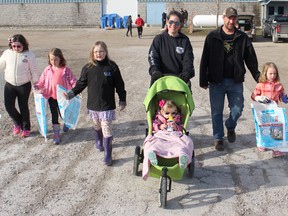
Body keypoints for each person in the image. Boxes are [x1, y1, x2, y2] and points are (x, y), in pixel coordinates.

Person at [199, 7, 260, 151]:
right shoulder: (212, 36)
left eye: (234, 18)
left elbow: (251, 59)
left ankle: (230, 126)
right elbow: (205, 59)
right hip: (216, 81)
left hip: (235, 81)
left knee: (238, 109)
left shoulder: (242, 37)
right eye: (229, 18)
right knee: (216, 111)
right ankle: (218, 138)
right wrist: (203, 79)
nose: (231, 21)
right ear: (223, 18)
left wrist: (258, 76)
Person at [66, 41, 127, 166]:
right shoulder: (88, 68)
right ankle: (98, 140)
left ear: (106, 52)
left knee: (107, 129)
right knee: (97, 126)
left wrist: (122, 100)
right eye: (96, 52)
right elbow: (81, 84)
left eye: (101, 51)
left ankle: (108, 154)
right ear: (92, 53)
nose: (98, 54)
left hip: (107, 105)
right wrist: (70, 94)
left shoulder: (112, 67)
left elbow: (120, 85)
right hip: (93, 105)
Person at [0, 34, 40, 137]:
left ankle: (26, 128)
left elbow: (34, 70)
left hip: (24, 85)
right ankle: (17, 122)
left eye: (19, 46)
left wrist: (36, 83)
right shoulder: (7, 53)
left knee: (23, 107)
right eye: (14, 46)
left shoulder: (29, 55)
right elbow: (1, 64)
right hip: (10, 84)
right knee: (9, 106)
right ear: (11, 45)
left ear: (24, 45)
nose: (16, 48)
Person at [34, 48, 77, 144]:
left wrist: (75, 89)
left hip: (63, 97)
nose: (53, 62)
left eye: (55, 59)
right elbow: (42, 81)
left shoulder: (66, 70)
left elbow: (73, 81)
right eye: (51, 59)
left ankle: (67, 123)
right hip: (51, 96)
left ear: (60, 58)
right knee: (54, 114)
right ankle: (56, 133)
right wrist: (37, 86)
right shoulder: (47, 70)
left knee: (64, 113)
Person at [148, 10, 195, 87]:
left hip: (179, 81)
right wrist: (155, 70)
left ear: (180, 24)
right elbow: (153, 57)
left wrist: (186, 72)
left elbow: (188, 59)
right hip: (161, 80)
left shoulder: (184, 41)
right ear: (167, 22)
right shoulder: (159, 39)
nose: (173, 25)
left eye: (177, 23)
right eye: (171, 22)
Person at [251, 62, 288, 157]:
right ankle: (263, 144)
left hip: (274, 111)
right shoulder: (260, 85)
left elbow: (282, 96)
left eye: (275, 73)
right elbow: (253, 95)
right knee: (264, 128)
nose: (273, 76)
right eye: (270, 73)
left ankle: (276, 149)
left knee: (276, 128)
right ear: (265, 73)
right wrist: (258, 98)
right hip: (263, 111)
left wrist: (284, 98)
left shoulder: (279, 85)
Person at [148, 99, 188, 169]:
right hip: (161, 136)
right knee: (155, 143)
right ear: (161, 112)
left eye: (173, 113)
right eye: (167, 113)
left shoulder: (177, 119)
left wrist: (176, 127)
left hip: (174, 137)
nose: (170, 115)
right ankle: (153, 154)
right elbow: (153, 126)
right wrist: (160, 126)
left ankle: (182, 157)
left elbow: (182, 128)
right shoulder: (159, 118)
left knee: (181, 145)